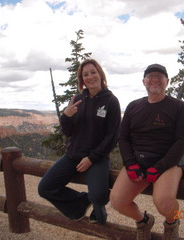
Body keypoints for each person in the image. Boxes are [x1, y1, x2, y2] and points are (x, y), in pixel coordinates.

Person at [110, 63, 184, 239]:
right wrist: (130, 164)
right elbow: (123, 138)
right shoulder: (133, 106)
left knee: (164, 202)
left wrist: (160, 167)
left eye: (159, 76)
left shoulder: (179, 107)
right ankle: (144, 221)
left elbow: (181, 141)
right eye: (150, 76)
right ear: (144, 82)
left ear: (167, 81)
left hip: (168, 162)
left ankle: (172, 223)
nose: (155, 79)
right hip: (138, 161)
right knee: (117, 201)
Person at [38, 59, 121, 224]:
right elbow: (68, 132)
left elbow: (112, 136)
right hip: (73, 154)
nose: (90, 77)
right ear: (82, 80)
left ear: (100, 74)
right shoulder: (78, 99)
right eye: (85, 74)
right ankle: (82, 202)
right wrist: (66, 117)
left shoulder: (111, 101)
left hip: (97, 157)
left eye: (93, 72)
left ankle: (98, 208)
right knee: (45, 188)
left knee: (98, 195)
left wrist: (91, 158)